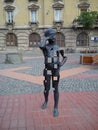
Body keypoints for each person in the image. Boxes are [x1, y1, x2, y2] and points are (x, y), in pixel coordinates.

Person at [38, 28, 67, 117]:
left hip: (55, 71)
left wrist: (61, 64)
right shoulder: (45, 47)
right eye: (52, 35)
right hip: (48, 71)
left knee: (55, 89)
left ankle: (55, 107)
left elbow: (65, 57)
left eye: (54, 35)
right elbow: (41, 45)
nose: (54, 37)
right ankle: (46, 101)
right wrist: (46, 37)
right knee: (46, 88)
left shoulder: (57, 47)